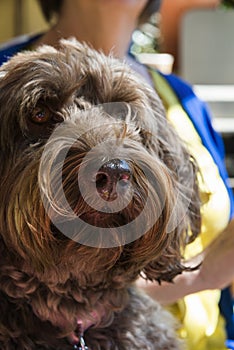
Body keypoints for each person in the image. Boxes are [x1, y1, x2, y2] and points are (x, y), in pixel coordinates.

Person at [0, 1, 233, 349]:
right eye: (41, 117)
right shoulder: (10, 79)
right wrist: (200, 275)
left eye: (129, 122)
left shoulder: (184, 100)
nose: (109, 174)